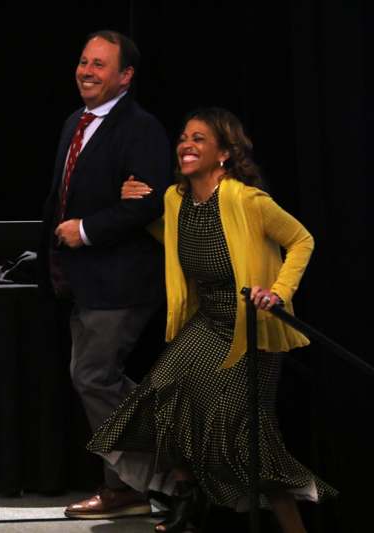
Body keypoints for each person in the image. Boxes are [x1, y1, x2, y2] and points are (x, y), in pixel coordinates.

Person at [87, 107, 337, 533]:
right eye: (184, 137)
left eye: (199, 138)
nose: (186, 144)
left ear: (223, 153)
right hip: (206, 322)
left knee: (246, 437)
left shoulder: (245, 198)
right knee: (164, 398)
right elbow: (175, 237)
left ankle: (293, 528)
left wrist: (278, 292)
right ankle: (187, 499)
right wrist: (139, 201)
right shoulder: (175, 198)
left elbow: (301, 239)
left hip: (249, 328)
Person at [37, 29, 171, 519]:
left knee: (93, 375)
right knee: (96, 377)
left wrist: (88, 228)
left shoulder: (141, 128)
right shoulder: (76, 121)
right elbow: (65, 197)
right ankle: (127, 486)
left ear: (125, 76)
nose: (86, 71)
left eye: (99, 65)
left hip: (123, 280)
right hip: (77, 279)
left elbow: (153, 201)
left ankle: (164, 465)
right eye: (83, 61)